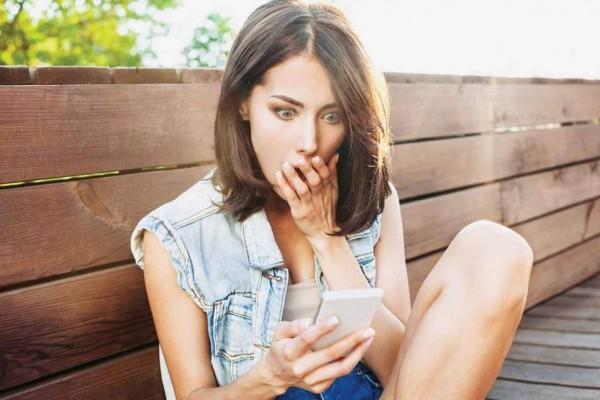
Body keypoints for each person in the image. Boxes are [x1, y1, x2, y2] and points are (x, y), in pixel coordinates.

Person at [130, 0, 534, 399]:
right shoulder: (178, 235)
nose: (308, 144)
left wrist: (328, 240)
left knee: (496, 248)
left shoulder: (372, 200)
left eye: (331, 116)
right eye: (285, 113)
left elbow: (409, 374)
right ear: (243, 103)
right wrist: (268, 378)